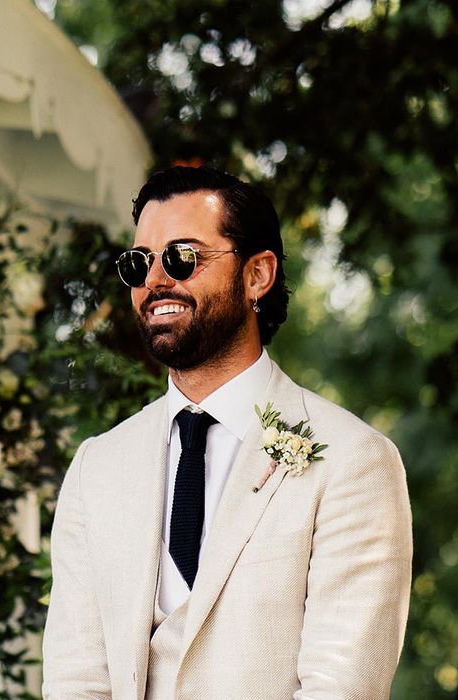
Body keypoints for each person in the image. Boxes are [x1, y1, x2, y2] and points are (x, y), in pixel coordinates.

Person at [42, 166, 412, 699]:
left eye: (182, 257)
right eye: (139, 263)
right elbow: (75, 680)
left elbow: (342, 686)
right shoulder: (97, 467)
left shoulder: (354, 460)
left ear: (257, 275)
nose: (155, 280)